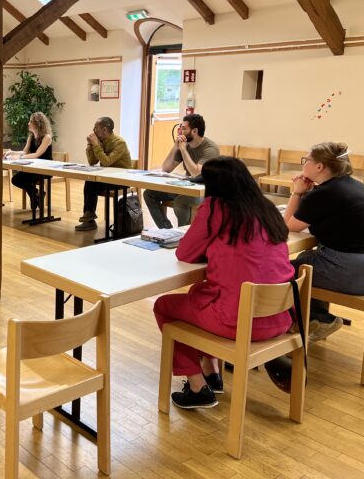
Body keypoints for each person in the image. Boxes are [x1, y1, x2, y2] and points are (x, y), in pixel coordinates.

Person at [154, 157, 294, 409]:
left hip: (239, 322)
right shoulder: (267, 209)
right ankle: (212, 371)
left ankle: (197, 387)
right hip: (280, 319)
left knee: (165, 306)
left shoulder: (215, 208)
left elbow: (185, 253)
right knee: (199, 293)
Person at [282, 142, 364, 342]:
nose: (304, 163)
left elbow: (288, 225)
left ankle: (317, 320)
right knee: (305, 257)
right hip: (358, 266)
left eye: (306, 160)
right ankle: (315, 318)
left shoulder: (324, 193)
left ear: (319, 166)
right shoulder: (354, 185)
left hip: (347, 269)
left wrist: (297, 192)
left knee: (281, 272)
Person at [144, 113, 219, 228]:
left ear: (194, 131)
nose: (180, 132)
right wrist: (175, 147)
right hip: (186, 187)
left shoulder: (210, 148)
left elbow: (196, 174)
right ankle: (167, 230)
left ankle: (182, 234)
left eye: (183, 128)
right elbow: (166, 168)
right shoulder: (185, 145)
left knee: (180, 201)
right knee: (149, 194)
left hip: (204, 191)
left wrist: (183, 150)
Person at [74, 117, 132, 231]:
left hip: (122, 179)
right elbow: (92, 161)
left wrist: (96, 145)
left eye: (96, 127)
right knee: (90, 180)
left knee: (92, 183)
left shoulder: (119, 143)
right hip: (108, 177)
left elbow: (106, 162)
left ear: (104, 130)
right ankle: (89, 217)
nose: (93, 130)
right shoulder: (101, 141)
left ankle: (90, 216)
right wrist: (90, 145)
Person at [6, 111, 53, 211]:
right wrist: (12, 152)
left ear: (37, 124)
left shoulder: (47, 137)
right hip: (33, 167)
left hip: (45, 169)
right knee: (16, 179)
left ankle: (35, 195)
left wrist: (19, 158)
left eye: (30, 121)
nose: (28, 123)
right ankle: (36, 193)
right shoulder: (31, 137)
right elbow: (24, 152)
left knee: (22, 179)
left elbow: (37, 154)